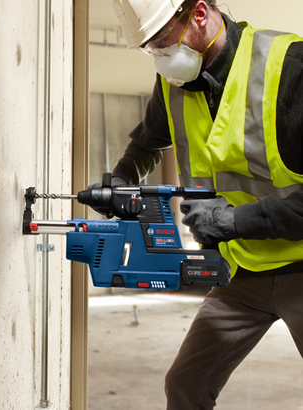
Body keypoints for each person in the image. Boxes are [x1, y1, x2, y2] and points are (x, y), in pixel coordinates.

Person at [108, 0, 303, 408]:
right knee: (185, 385)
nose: (160, 56)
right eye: (150, 48)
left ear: (199, 13)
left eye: (163, 41)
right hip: (241, 271)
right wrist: (123, 178)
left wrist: (237, 221)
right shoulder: (174, 84)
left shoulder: (291, 68)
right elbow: (146, 144)